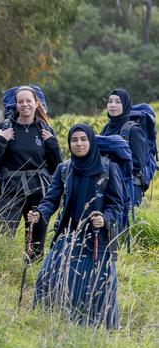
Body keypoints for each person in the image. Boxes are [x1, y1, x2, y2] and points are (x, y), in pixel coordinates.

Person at [28, 124, 123, 329]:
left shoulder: (108, 168)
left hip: (97, 240)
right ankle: (48, 323)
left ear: (91, 141)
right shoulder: (64, 169)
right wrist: (40, 213)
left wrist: (104, 219)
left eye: (83, 139)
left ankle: (95, 328)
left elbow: (117, 205)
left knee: (94, 285)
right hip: (67, 235)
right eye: (74, 140)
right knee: (46, 279)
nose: (78, 144)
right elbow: (52, 199)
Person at [0, 85, 62, 260]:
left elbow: (58, 166)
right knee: (3, 235)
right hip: (10, 190)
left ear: (36, 103)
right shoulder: (3, 129)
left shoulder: (45, 130)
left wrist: (52, 145)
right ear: (15, 104)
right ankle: (2, 272)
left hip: (38, 190)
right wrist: (1, 141)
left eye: (28, 101)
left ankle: (34, 272)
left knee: (36, 240)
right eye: (20, 101)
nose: (25, 104)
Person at [101, 89, 147, 206]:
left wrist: (112, 165)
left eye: (118, 102)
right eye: (110, 101)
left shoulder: (134, 130)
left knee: (129, 223)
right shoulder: (107, 127)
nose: (112, 105)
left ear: (125, 105)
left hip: (128, 186)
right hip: (108, 185)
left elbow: (138, 163)